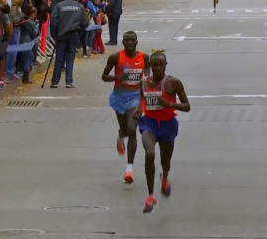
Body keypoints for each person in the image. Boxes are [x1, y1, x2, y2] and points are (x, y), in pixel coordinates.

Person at [133, 52, 191, 213]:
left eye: (161, 65)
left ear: (166, 65)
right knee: (149, 153)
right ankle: (150, 196)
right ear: (150, 65)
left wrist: (170, 104)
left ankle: (164, 178)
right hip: (149, 123)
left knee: (166, 161)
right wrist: (138, 110)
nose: (158, 68)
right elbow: (141, 98)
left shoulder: (174, 83)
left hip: (167, 125)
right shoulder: (144, 82)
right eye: (154, 65)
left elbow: (187, 106)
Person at [101, 31, 150, 184]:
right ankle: (120, 136)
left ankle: (129, 169)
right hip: (118, 97)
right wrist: (117, 77)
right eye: (127, 40)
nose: (130, 43)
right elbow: (104, 76)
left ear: (137, 42)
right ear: (123, 43)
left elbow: (147, 82)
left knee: (131, 129)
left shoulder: (144, 58)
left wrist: (143, 101)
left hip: (135, 98)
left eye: (132, 40)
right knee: (124, 129)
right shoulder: (116, 57)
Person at [50, 0, 89, 88]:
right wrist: (80, 31)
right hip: (74, 33)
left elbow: (53, 21)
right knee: (70, 57)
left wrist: (54, 34)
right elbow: (85, 22)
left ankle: (55, 81)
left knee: (59, 57)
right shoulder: (79, 6)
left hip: (61, 34)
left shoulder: (59, 6)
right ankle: (69, 81)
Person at [18, 6, 37, 84]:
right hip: (27, 41)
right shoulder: (30, 23)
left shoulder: (23, 20)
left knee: (28, 56)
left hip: (20, 40)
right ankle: (26, 77)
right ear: (32, 14)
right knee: (27, 58)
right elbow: (34, 33)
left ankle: (20, 69)